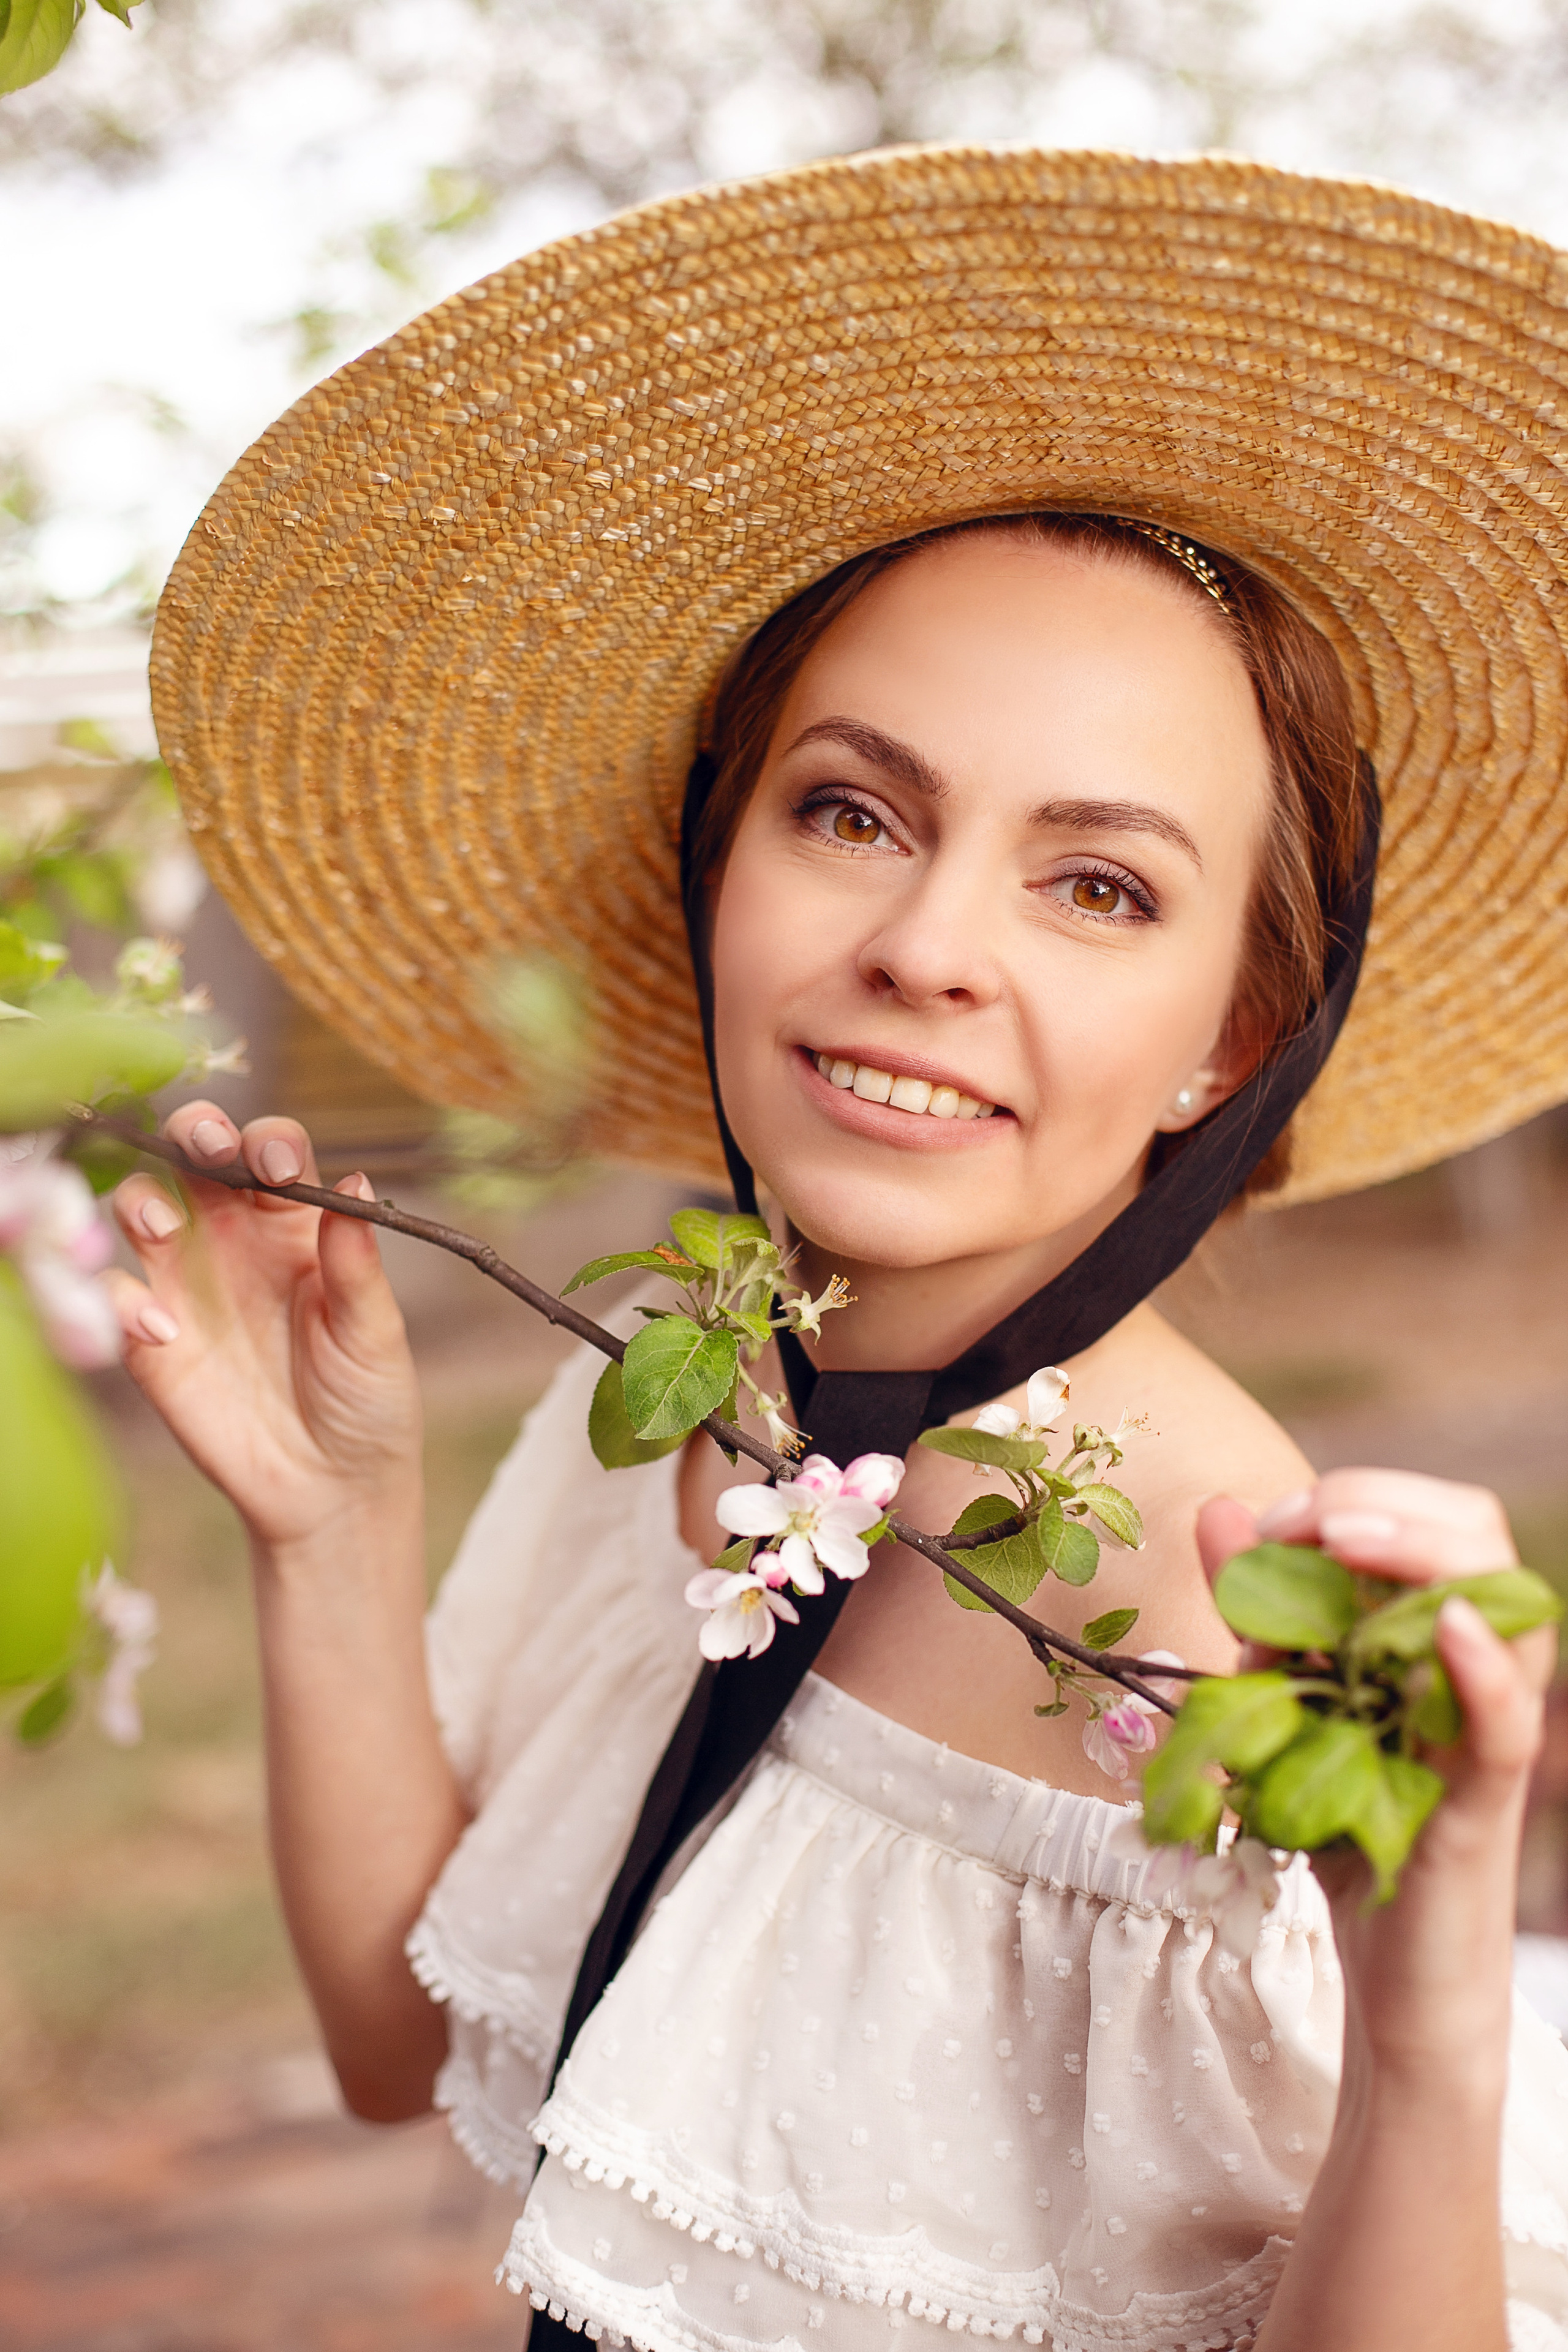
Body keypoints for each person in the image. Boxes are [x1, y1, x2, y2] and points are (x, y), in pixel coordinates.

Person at [117, 149, 1568, 2350]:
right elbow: (400, 2046)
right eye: (852, 812)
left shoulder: (1215, 1616)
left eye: (1097, 886)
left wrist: (1431, 2010)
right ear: (722, 861)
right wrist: (334, 1524)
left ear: (1229, 1043)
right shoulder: (681, 1367)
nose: (920, 949)